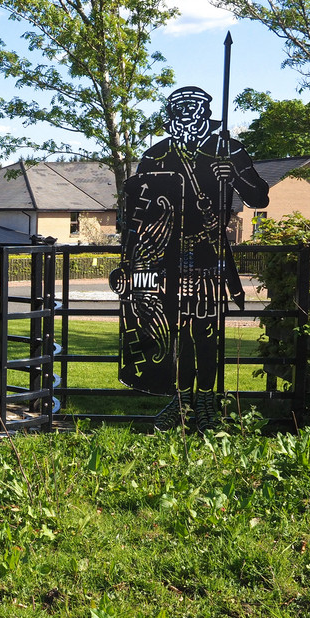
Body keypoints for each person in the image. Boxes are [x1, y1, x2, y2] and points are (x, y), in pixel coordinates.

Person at [114, 86, 269, 430]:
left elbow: (259, 197)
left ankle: (206, 401)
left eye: (193, 106)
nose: (187, 112)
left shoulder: (227, 150)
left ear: (205, 111)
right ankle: (181, 402)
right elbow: (135, 210)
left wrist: (235, 175)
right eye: (180, 107)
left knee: (207, 329)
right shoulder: (155, 155)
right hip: (166, 257)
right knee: (176, 330)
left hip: (208, 252)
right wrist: (130, 257)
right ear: (171, 114)